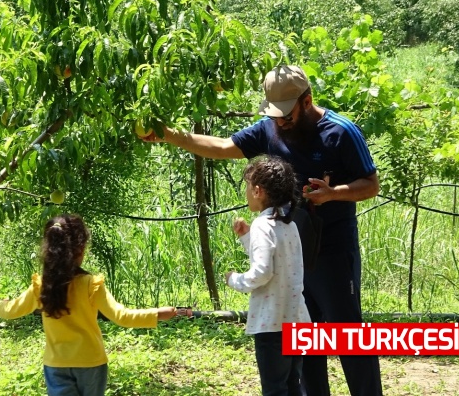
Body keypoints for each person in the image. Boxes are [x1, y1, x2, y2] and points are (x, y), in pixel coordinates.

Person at [142, 65, 383, 396]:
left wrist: (332, 194)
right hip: (292, 259)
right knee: (305, 341)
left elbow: (371, 185)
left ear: (307, 100)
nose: (280, 122)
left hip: (333, 253)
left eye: (286, 114)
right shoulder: (271, 128)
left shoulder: (341, 132)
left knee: (348, 336)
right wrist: (169, 134)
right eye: (274, 115)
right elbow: (223, 147)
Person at [0, 214, 177, 396]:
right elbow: (122, 316)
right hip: (91, 363)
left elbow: (11, 310)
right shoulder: (90, 284)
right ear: (80, 249)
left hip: (56, 364)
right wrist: (158, 313)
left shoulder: (41, 286)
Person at [225, 156, 311, 396]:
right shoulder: (287, 223)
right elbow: (279, 261)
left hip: (272, 325)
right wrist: (246, 238)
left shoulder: (264, 224)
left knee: (274, 389)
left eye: (247, 187)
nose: (246, 193)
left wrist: (234, 279)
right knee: (293, 386)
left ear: (258, 190)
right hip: (297, 320)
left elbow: (262, 272)